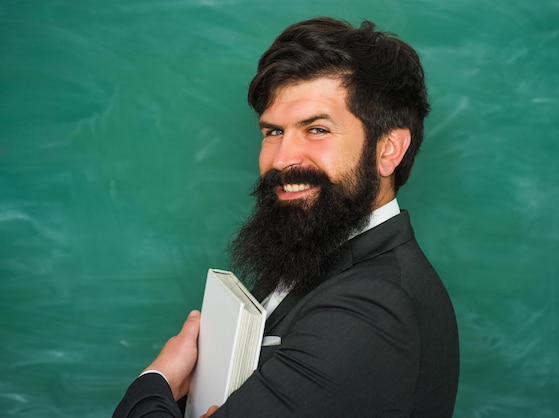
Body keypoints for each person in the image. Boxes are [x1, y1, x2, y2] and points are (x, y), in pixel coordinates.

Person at [114, 16, 459, 417]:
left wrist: (156, 381)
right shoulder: (311, 250)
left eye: (316, 130)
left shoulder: (371, 310)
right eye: (273, 132)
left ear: (389, 150)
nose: (281, 160)